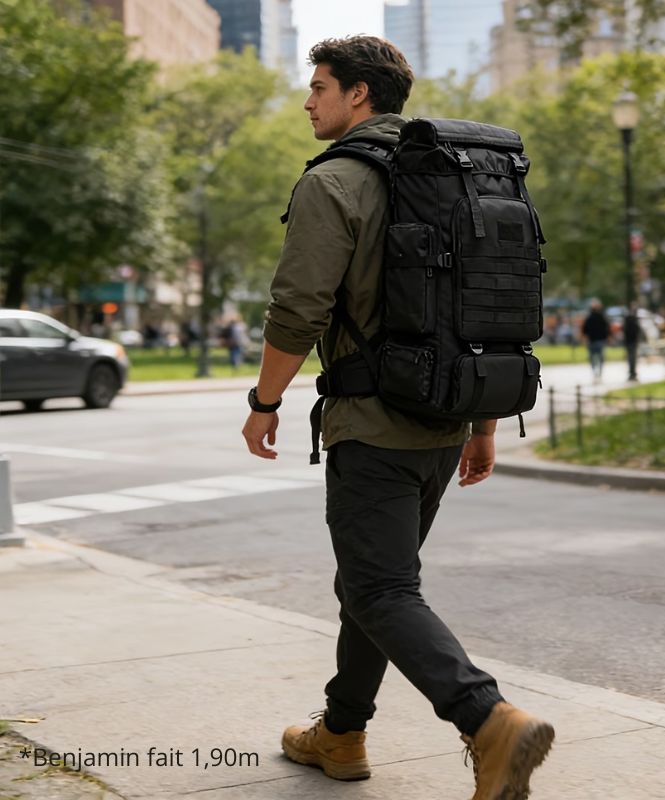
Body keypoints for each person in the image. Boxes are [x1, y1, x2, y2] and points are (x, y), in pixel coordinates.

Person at [241, 35, 553, 799]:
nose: (308, 100)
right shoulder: (456, 175)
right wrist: (481, 423)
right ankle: (341, 734)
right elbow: (482, 304)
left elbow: (298, 308)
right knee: (377, 583)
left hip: (373, 423)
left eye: (318, 87)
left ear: (359, 96)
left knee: (379, 589)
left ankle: (487, 720)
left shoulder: (337, 181)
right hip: (448, 418)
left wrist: (264, 401)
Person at [581, 300, 610, 381]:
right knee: (600, 358)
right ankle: (599, 373)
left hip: (592, 340)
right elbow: (607, 329)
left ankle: (595, 373)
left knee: (593, 358)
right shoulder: (602, 317)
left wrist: (584, 338)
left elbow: (584, 330)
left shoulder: (589, 318)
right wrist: (608, 337)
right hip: (599, 340)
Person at [623, 303, 642, 381]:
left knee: (631, 358)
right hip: (632, 341)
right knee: (632, 358)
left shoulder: (629, 319)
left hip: (629, 341)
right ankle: (632, 373)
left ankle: (632, 373)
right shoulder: (634, 319)